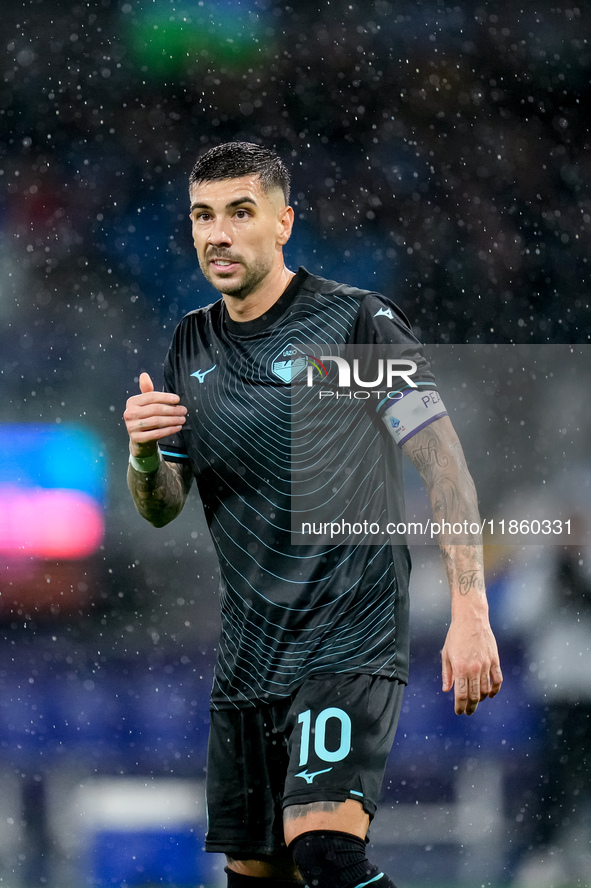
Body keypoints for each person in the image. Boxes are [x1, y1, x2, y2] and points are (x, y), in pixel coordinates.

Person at [123, 141, 503, 888]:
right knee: (255, 876)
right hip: (249, 656)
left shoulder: (355, 321)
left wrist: (470, 608)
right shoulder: (189, 342)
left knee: (325, 855)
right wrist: (141, 455)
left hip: (345, 635)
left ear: (283, 222)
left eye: (240, 212)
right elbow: (163, 507)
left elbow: (443, 463)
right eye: (202, 216)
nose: (218, 234)